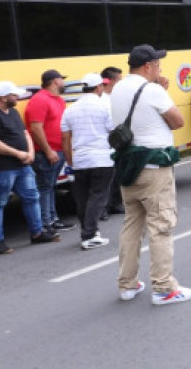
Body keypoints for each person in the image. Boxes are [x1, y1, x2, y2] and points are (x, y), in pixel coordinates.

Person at [112, 44, 191, 305]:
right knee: (161, 226)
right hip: (153, 167)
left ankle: (127, 284)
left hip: (129, 166)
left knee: (132, 224)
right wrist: (161, 90)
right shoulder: (151, 90)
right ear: (147, 66)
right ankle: (163, 288)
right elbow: (177, 121)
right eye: (158, 65)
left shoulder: (117, 88)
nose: (160, 69)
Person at [0, 81, 60, 254]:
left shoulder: (13, 112)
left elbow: (25, 134)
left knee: (32, 197)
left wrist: (29, 152)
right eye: (14, 95)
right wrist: (18, 154)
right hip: (1, 168)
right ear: (3, 97)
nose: (17, 97)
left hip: (22, 165)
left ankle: (37, 233)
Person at [61, 73, 115, 250]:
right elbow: (113, 131)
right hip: (101, 158)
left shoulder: (70, 109)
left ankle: (89, 231)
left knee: (83, 198)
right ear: (98, 87)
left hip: (80, 160)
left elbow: (66, 139)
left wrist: (70, 161)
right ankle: (89, 235)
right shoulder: (105, 106)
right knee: (98, 197)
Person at [25, 69, 75, 233]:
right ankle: (46, 222)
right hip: (47, 153)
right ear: (54, 81)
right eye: (62, 79)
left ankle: (53, 219)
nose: (64, 83)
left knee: (50, 186)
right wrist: (47, 151)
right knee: (44, 188)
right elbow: (36, 128)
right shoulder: (40, 100)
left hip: (58, 150)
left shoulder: (58, 100)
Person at [99, 66, 124, 219]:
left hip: (115, 143)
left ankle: (115, 203)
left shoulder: (113, 98)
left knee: (116, 176)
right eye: (119, 80)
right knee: (105, 179)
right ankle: (103, 208)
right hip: (104, 143)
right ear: (111, 80)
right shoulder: (101, 100)